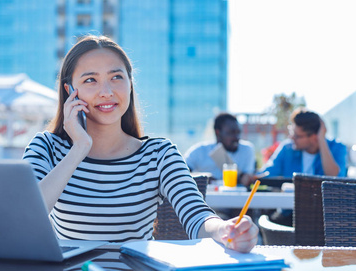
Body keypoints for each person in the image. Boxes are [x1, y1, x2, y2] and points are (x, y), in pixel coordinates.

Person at [22, 35, 258, 253]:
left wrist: (225, 230)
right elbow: (26, 217)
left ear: (130, 83)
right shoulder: (46, 147)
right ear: (70, 90)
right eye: (91, 80)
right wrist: (79, 148)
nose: (106, 92)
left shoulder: (158, 153)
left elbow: (196, 215)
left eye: (116, 77)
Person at [259, 107, 347, 225]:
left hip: (324, 215)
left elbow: (334, 176)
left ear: (314, 137)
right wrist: (250, 176)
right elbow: (268, 172)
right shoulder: (287, 148)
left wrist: (322, 140)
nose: (292, 138)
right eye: (291, 133)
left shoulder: (337, 148)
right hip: (290, 213)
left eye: (297, 136)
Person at [184, 112, 256, 187]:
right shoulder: (199, 151)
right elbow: (181, 173)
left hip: (236, 196)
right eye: (231, 133)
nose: (236, 138)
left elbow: (247, 177)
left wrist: (245, 178)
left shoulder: (247, 149)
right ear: (218, 132)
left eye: (238, 133)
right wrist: (203, 177)